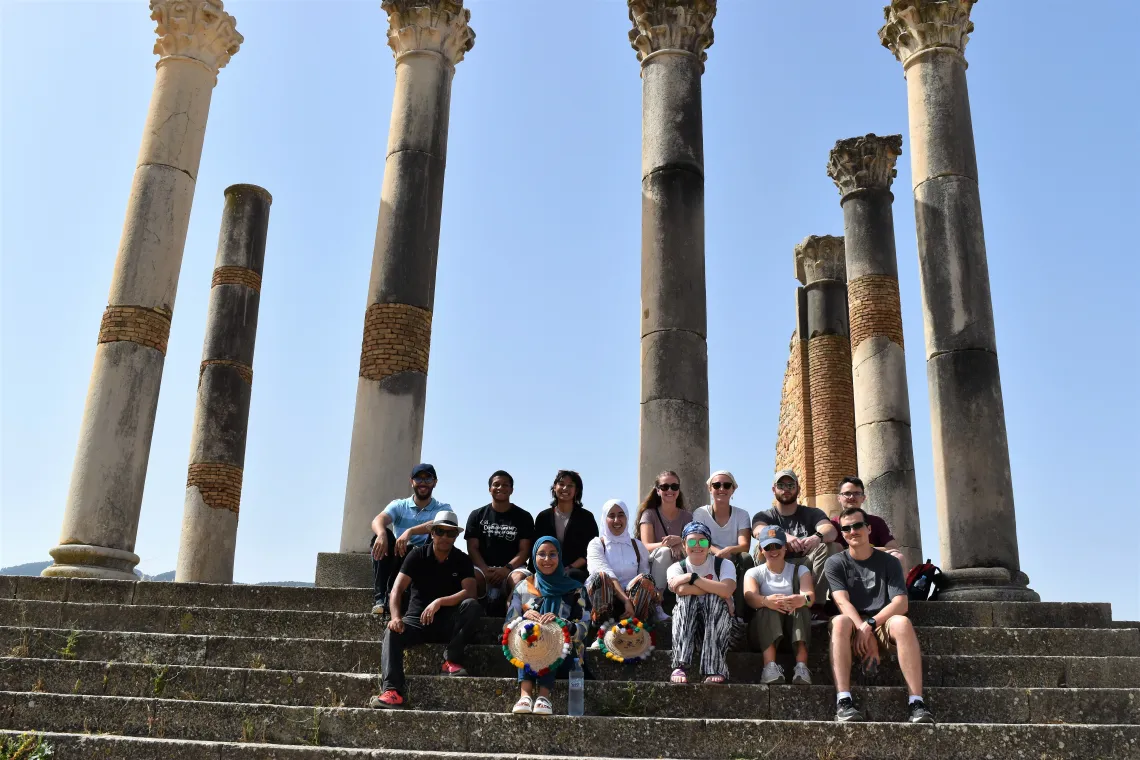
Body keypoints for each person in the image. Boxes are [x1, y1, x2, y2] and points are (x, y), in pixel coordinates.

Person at [825, 507, 934, 724]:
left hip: (882, 621)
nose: (852, 531)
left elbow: (901, 604)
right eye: (846, 528)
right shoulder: (835, 562)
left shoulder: (889, 561)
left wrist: (870, 626)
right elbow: (841, 602)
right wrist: (861, 627)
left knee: (902, 623)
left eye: (857, 525)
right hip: (852, 622)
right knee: (839, 622)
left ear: (868, 528)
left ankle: (916, 702)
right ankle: (843, 701)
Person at [370, 511, 482, 708]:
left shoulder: (462, 559)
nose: (445, 537)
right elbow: (396, 590)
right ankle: (392, 691)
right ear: (432, 533)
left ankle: (451, 660)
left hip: (448, 622)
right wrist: (396, 617)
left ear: (456, 536)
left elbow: (470, 592)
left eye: (450, 533)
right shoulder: (417, 555)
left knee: (472, 606)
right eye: (440, 531)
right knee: (391, 632)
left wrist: (440, 601)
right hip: (417, 621)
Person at [506, 536, 590, 715]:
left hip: (568, 657)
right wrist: (522, 620)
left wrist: (561, 624)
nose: (547, 559)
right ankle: (525, 696)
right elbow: (508, 626)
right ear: (534, 558)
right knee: (528, 633)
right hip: (528, 653)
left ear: (559, 557)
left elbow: (584, 627)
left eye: (552, 554)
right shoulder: (523, 587)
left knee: (550, 636)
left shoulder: (575, 589)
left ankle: (544, 697)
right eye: (541, 554)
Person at [369, 463, 451, 616]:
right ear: (411, 481)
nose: (423, 483)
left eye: (428, 479)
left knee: (435, 534)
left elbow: (443, 522)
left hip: (424, 557)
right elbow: (378, 519)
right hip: (399, 553)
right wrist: (381, 534)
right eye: (419, 478)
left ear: (435, 482)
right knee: (379, 537)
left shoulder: (442, 508)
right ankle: (380, 600)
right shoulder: (400, 505)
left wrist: (411, 531)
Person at [751, 469, 838, 608]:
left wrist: (817, 537)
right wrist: (784, 537)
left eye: (791, 485)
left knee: (831, 546)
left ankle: (814, 605)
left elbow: (831, 530)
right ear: (774, 489)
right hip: (777, 563)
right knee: (759, 547)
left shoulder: (812, 513)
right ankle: (765, 601)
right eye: (781, 486)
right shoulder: (764, 515)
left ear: (798, 488)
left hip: (805, 563)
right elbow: (758, 531)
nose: (786, 489)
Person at [666, 522, 736, 684]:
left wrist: (693, 578)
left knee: (713, 600)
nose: (697, 545)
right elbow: (681, 591)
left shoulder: (723, 564)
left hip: (718, 629)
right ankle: (680, 665)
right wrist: (716, 589)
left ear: (709, 545)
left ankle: (715, 667)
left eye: (703, 541)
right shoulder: (676, 568)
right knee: (687, 601)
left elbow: (727, 590)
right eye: (691, 541)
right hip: (689, 630)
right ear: (683, 545)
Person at [744, 525, 814, 685]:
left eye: (777, 546)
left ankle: (802, 666)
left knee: (801, 607)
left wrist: (802, 600)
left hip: (792, 631)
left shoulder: (800, 570)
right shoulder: (754, 572)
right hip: (761, 633)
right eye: (768, 547)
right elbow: (749, 597)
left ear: (785, 547)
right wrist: (766, 601)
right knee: (768, 606)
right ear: (761, 549)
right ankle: (769, 667)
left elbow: (810, 598)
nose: (773, 550)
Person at [465, 470, 534, 614]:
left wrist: (506, 569)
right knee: (471, 576)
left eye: (505, 485)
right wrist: (484, 570)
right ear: (489, 488)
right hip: (483, 569)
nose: (500, 488)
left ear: (511, 490)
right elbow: (472, 548)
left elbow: (524, 551)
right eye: (496, 484)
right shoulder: (476, 515)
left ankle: (513, 616)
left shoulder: (524, 517)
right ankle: (475, 616)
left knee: (519, 578)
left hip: (512, 568)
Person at [585, 499, 660, 628]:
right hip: (606, 599)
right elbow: (606, 572)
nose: (616, 520)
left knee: (646, 579)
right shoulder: (596, 544)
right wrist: (625, 600)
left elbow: (644, 573)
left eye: (621, 515)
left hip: (633, 601)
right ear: (604, 518)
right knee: (601, 577)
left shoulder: (637, 545)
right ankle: (602, 630)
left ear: (626, 517)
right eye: (611, 516)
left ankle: (635, 628)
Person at [693, 470, 754, 619]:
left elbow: (744, 545)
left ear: (733, 489)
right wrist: (716, 552)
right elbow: (699, 541)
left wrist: (728, 550)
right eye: (717, 485)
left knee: (746, 558)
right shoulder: (700, 513)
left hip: (733, 557)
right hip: (707, 555)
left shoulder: (742, 514)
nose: (721, 489)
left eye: (727, 485)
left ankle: (741, 613)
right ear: (710, 488)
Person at [526, 470, 598, 584]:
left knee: (570, 575)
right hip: (546, 567)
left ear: (576, 490)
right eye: (561, 484)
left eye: (570, 485)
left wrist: (569, 567)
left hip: (575, 571)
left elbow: (590, 552)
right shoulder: (543, 517)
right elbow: (536, 549)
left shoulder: (586, 518)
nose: (565, 488)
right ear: (554, 487)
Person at [635, 470, 693, 594]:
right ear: (658, 490)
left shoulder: (687, 517)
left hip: (680, 560)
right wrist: (669, 544)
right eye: (665, 487)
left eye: (674, 487)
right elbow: (646, 545)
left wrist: (680, 541)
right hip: (656, 562)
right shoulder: (649, 514)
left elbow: (694, 543)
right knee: (665, 552)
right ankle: (656, 598)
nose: (670, 490)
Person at [830, 476, 907, 566]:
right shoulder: (833, 524)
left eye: (857, 493)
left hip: (874, 563)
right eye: (847, 493)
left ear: (863, 498)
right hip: (845, 565)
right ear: (839, 498)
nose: (851, 497)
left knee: (898, 557)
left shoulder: (876, 522)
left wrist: (864, 551)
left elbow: (893, 548)